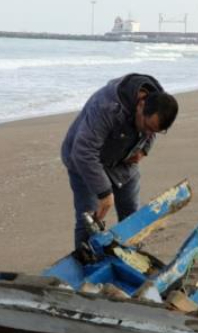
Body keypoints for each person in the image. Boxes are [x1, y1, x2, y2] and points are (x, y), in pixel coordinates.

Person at [61, 74, 178, 252]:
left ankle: (132, 259)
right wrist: (104, 193)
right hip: (84, 160)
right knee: (89, 220)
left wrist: (144, 150)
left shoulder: (159, 102)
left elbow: (152, 130)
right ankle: (84, 265)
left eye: (154, 131)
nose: (148, 133)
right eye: (147, 127)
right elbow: (83, 151)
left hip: (123, 161)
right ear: (141, 105)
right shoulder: (107, 107)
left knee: (131, 216)